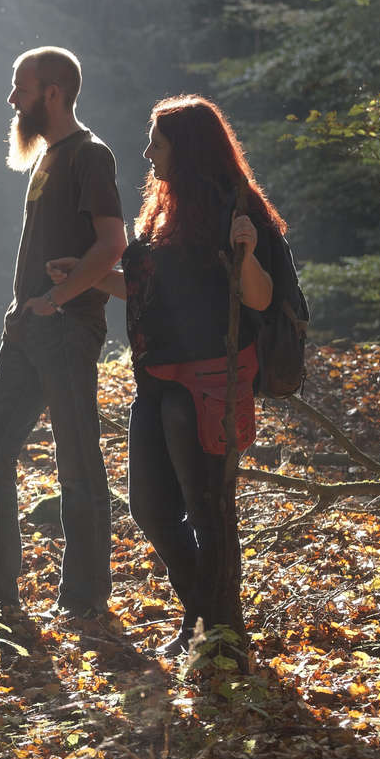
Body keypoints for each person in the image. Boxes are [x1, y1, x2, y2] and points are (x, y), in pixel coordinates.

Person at [50, 95, 284, 659]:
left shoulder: (236, 206)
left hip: (206, 383)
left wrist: (247, 254)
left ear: (188, 147)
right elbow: (146, 288)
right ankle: (205, 615)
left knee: (207, 509)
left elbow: (261, 296)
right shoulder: (162, 208)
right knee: (151, 506)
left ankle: (218, 633)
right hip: (154, 379)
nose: (148, 152)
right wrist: (85, 279)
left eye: (158, 141)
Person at [0, 47, 127, 633]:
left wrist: (58, 299)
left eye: (21, 88)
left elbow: (112, 245)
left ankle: (84, 598)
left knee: (77, 460)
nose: (13, 99)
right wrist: (22, 309)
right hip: (28, 328)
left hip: (67, 329)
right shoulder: (49, 157)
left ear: (53, 92)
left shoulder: (90, 156)